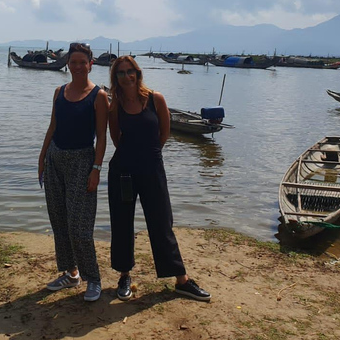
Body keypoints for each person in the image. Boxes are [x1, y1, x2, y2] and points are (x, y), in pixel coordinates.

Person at [107, 55, 211, 302]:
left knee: (161, 222)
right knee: (122, 224)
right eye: (120, 73)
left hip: (152, 168)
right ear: (115, 77)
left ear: (137, 73)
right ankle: (124, 276)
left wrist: (149, 155)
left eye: (130, 71)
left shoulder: (156, 99)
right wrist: (132, 158)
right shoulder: (115, 105)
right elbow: (115, 138)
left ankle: (181, 280)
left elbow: (164, 132)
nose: (126, 76)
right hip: (123, 170)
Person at [38, 42, 109, 302]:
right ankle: (71, 273)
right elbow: (52, 127)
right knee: (59, 220)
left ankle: (94, 279)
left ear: (91, 65)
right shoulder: (59, 92)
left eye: (82, 62)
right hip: (55, 158)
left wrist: (96, 169)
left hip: (82, 161)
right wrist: (42, 158)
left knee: (80, 226)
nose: (77, 66)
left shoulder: (99, 96)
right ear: (68, 64)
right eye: (73, 62)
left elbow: (101, 137)